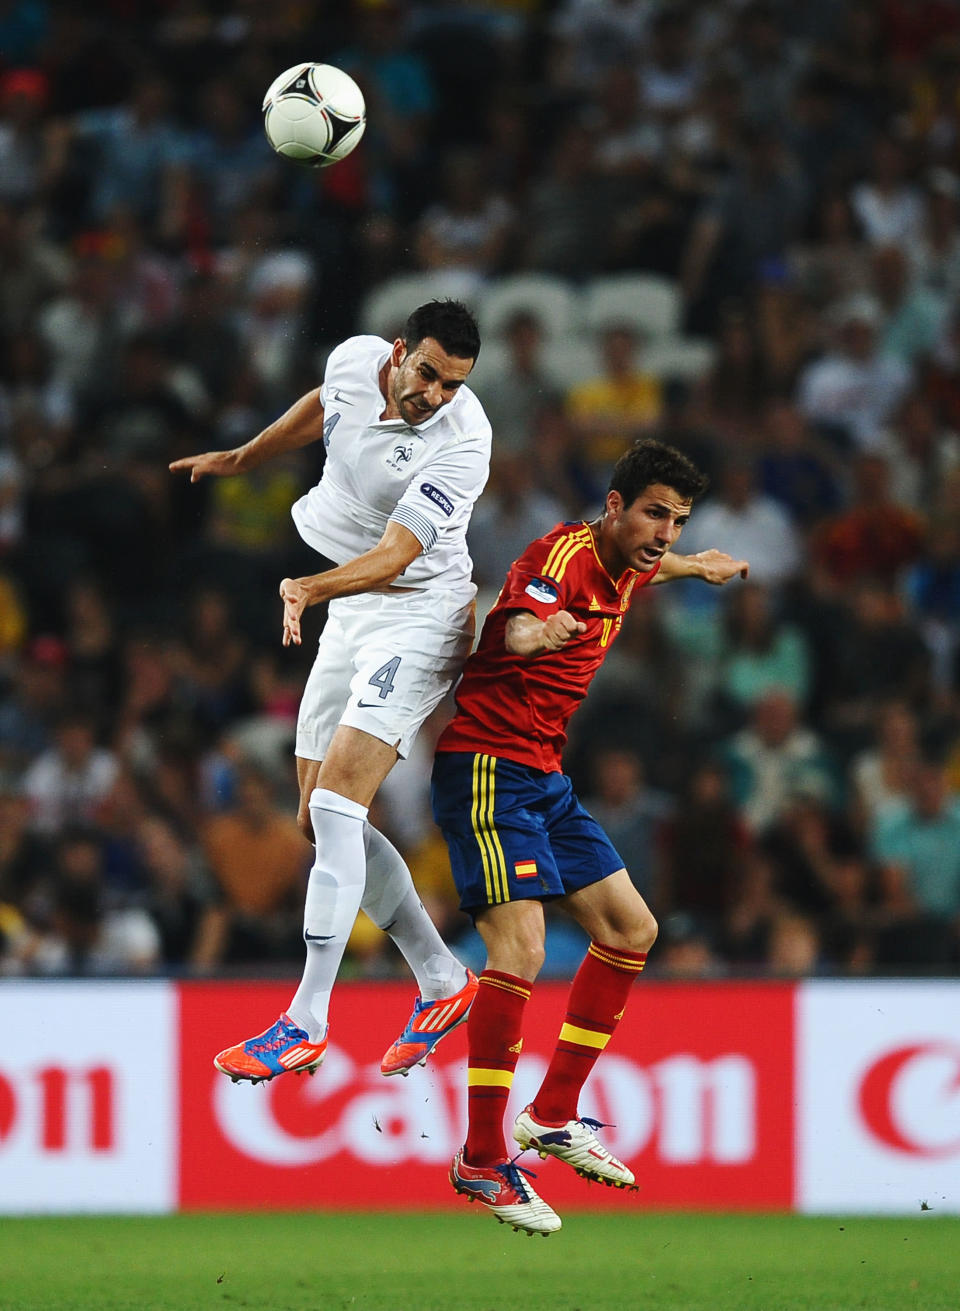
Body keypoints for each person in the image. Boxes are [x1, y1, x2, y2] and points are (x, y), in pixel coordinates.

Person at [429, 439, 748, 1235]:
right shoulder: (561, 555)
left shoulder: (634, 561)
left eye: (677, 520)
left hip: (545, 777)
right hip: (488, 767)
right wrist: (542, 634)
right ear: (614, 506)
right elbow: (515, 632)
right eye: (654, 514)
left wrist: (696, 565)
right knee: (522, 950)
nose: (665, 532)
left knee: (633, 928)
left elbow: (649, 568)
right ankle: (478, 1157)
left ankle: (554, 1114)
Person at [169, 300, 489, 1083]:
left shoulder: (461, 441)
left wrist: (308, 587)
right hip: (350, 604)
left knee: (343, 805)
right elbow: (325, 403)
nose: (437, 396)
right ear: (400, 350)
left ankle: (304, 1018)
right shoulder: (354, 357)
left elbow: (396, 553)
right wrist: (244, 456)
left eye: (453, 385)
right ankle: (443, 977)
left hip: (418, 615)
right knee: (317, 818)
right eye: (429, 375)